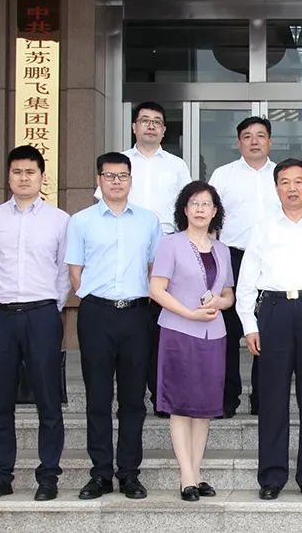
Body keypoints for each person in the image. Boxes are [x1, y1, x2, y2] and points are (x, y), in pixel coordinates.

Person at [236, 159, 302, 501]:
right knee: (272, 398)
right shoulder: (263, 227)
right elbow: (246, 281)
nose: (292, 188)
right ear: (276, 188)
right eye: (285, 182)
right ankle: (271, 476)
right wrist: (249, 324)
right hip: (275, 311)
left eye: (299, 182)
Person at [0, 145, 70, 502]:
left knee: (48, 401)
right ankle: (1, 476)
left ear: (43, 177)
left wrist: (50, 307)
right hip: (1, 317)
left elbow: (64, 270)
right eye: (17, 172)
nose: (24, 178)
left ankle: (48, 476)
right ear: (8, 176)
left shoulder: (60, 220)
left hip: (42, 315)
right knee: (0, 402)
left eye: (31, 172)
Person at [66, 151, 162, 500]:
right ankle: (101, 473)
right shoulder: (81, 221)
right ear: (99, 180)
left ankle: (129, 473)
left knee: (134, 398)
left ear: (131, 180)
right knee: (98, 396)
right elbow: (75, 270)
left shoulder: (148, 221)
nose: (116, 182)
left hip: (136, 315)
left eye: (123, 176)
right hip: (97, 315)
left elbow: (154, 268)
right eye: (110, 176)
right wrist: (96, 297)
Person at [95, 101, 192, 418]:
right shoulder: (120, 164)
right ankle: (129, 397)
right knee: (136, 327)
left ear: (164, 130)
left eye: (157, 121)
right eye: (145, 120)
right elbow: (102, 207)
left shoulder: (176, 165)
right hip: (128, 253)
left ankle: (162, 395)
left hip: (168, 250)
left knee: (166, 328)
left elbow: (186, 210)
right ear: (134, 127)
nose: (151, 125)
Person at [148, 181, 235, 502]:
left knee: (203, 408)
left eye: (206, 204)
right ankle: (186, 476)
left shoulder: (222, 250)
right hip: (179, 332)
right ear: (184, 209)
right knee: (181, 406)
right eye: (194, 203)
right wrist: (189, 313)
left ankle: (196, 474)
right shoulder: (170, 244)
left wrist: (220, 302)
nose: (200, 209)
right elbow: (156, 289)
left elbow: (228, 294)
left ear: (215, 212)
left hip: (214, 334)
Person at [208, 116, 280, 417]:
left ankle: (263, 398)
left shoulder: (282, 175)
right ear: (239, 143)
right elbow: (209, 220)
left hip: (273, 261)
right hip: (232, 257)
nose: (254, 141)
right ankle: (227, 397)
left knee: (268, 330)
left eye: (260, 135)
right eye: (247, 136)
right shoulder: (223, 176)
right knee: (228, 331)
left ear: (270, 141)